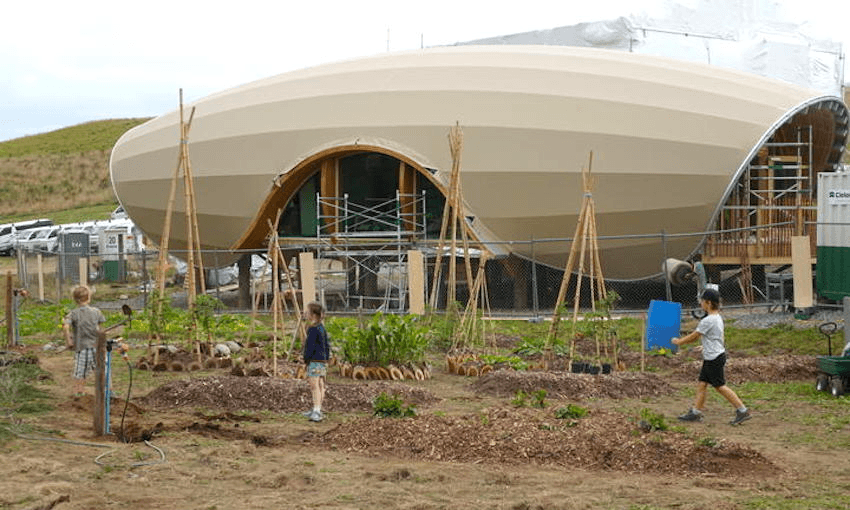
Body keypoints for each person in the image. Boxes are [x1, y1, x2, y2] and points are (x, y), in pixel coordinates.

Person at [672, 288, 751, 425]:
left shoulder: (707, 321)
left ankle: (742, 410)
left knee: (720, 386)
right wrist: (706, 346)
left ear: (708, 303)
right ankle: (695, 412)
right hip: (714, 355)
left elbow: (694, 336)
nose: (700, 304)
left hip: (714, 358)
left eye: (702, 301)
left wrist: (679, 342)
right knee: (702, 384)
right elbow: (716, 336)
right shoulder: (717, 318)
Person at [63, 286, 105, 397]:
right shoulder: (96, 312)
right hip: (97, 346)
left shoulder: (73, 313)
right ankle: (106, 391)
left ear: (75, 299)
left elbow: (66, 326)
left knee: (80, 372)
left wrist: (69, 341)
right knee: (101, 370)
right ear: (89, 298)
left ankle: (79, 392)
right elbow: (100, 329)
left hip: (82, 348)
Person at [302, 301, 330, 422]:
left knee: (314, 386)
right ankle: (316, 409)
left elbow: (310, 347)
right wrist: (326, 359)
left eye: (307, 312)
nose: (305, 314)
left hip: (314, 361)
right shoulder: (322, 328)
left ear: (313, 314)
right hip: (322, 361)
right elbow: (327, 346)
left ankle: (317, 411)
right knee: (320, 385)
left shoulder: (313, 330)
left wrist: (306, 360)